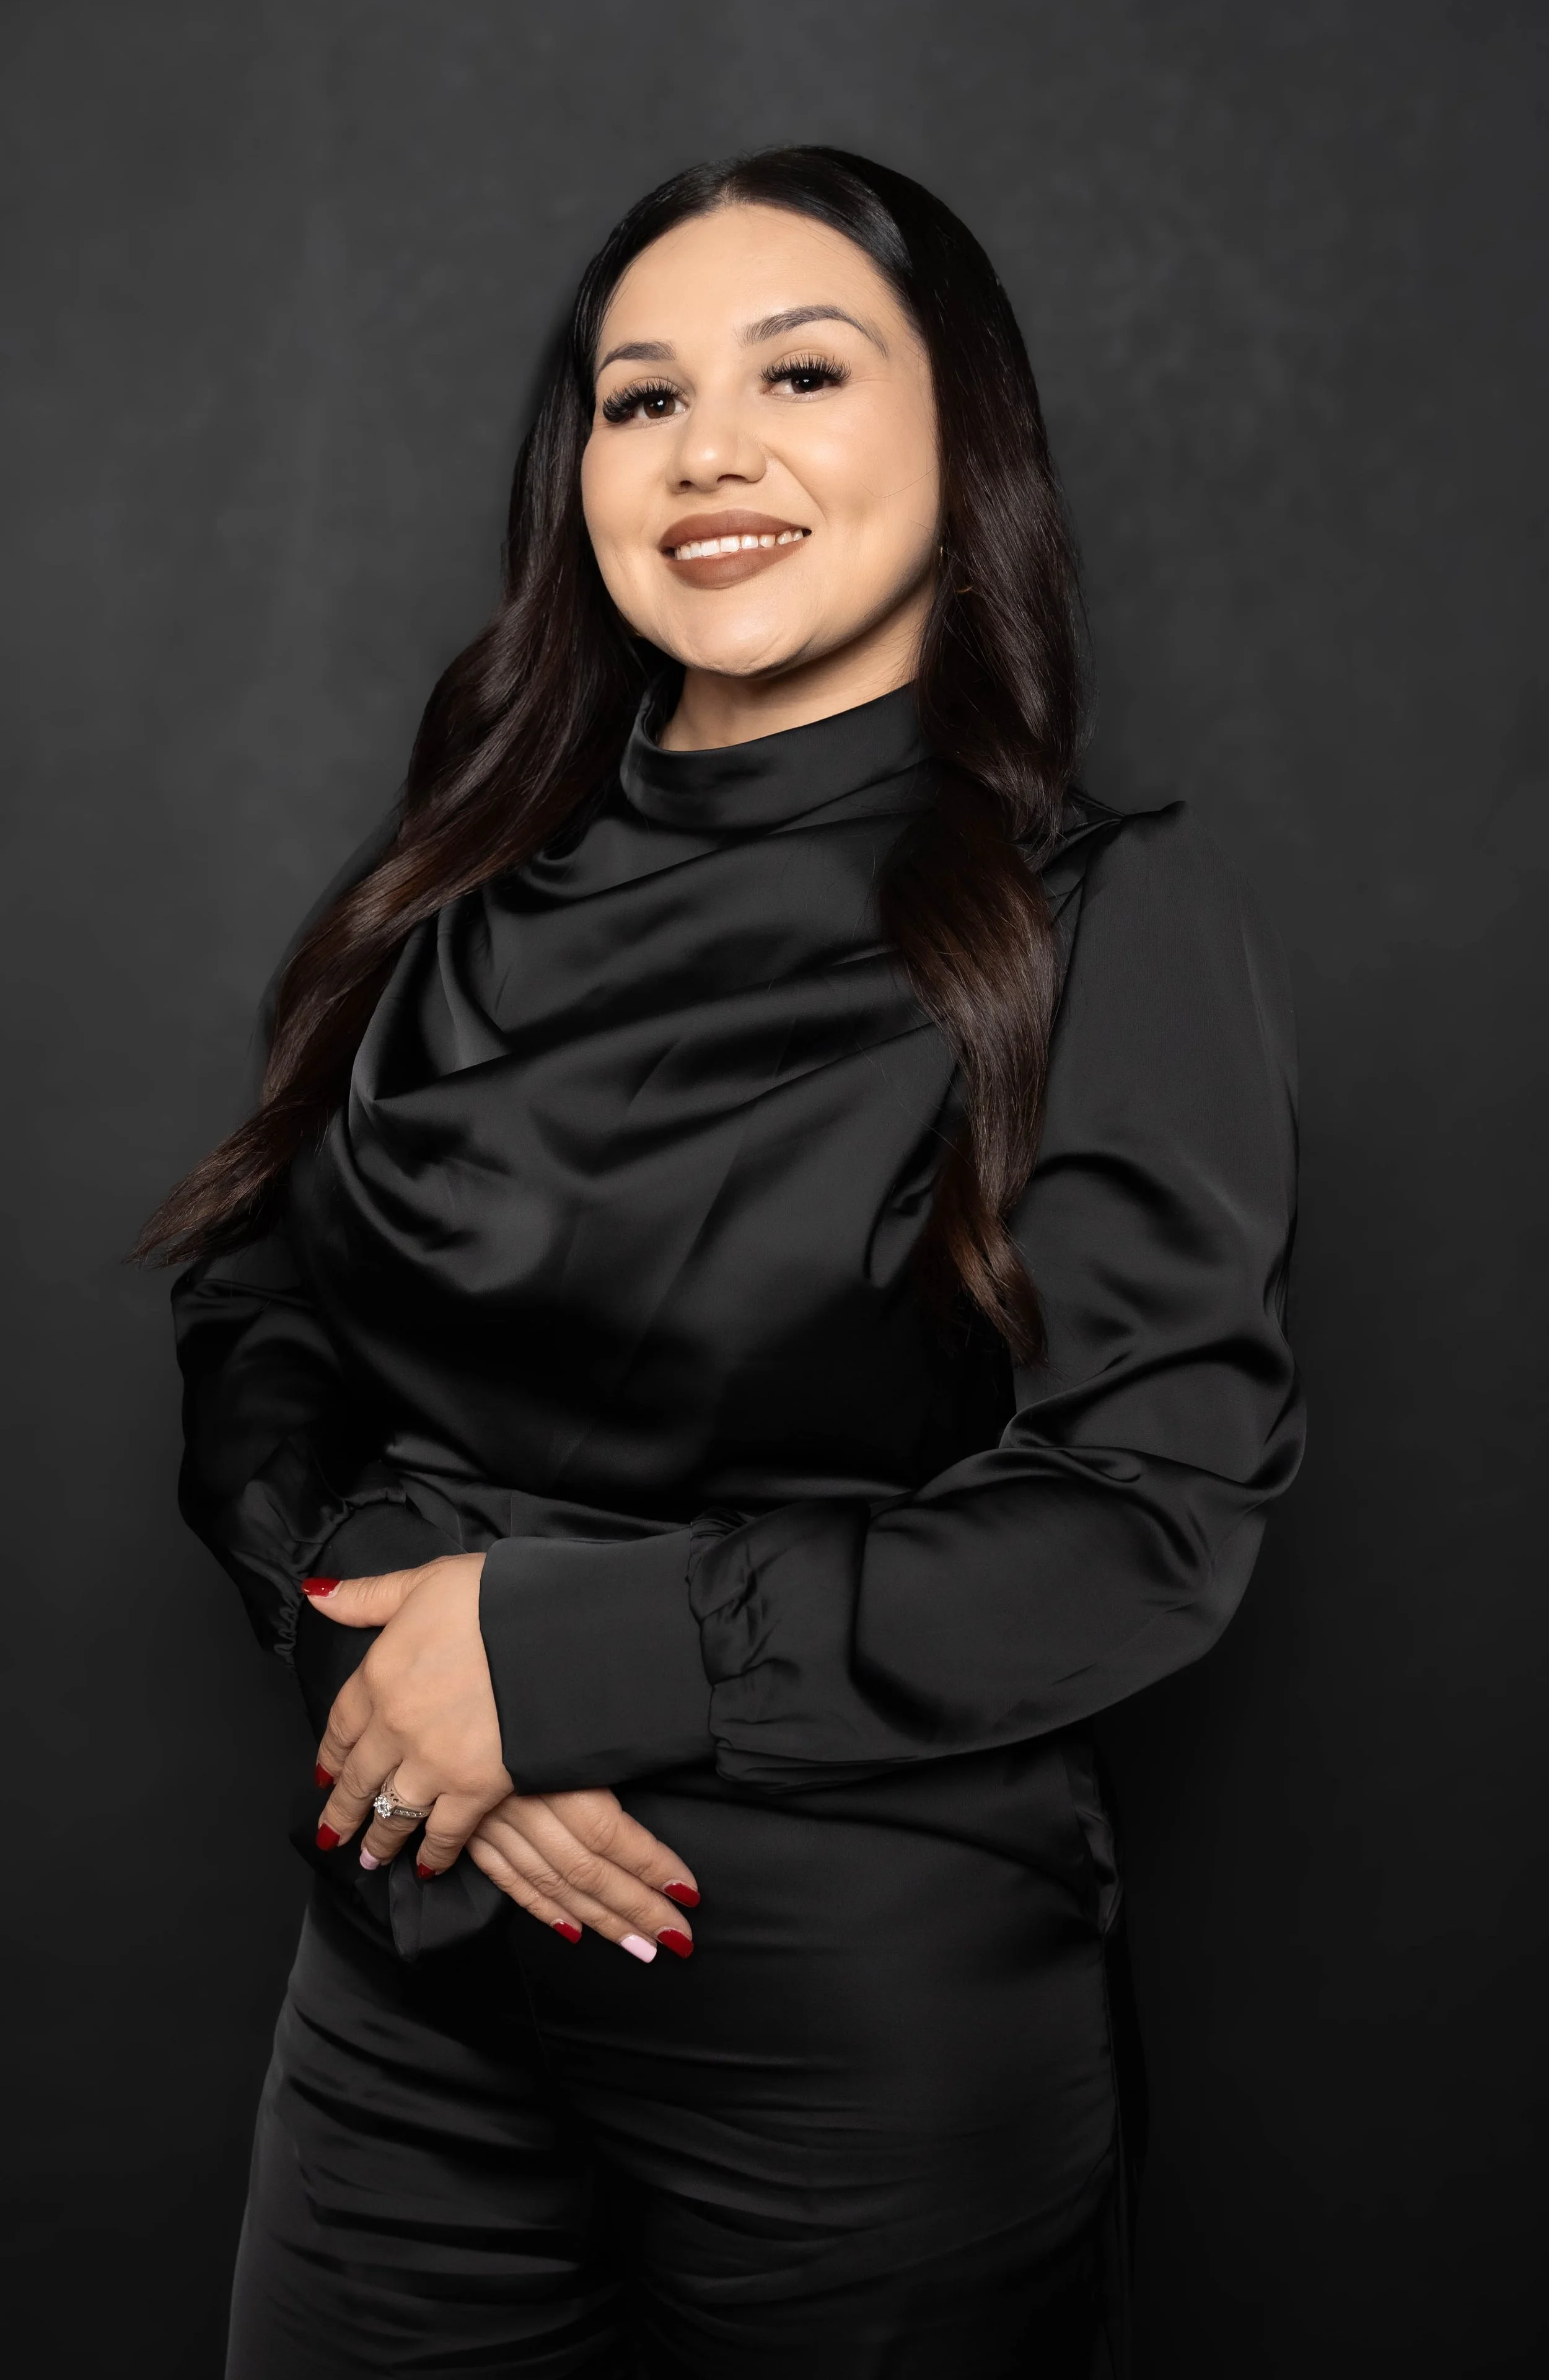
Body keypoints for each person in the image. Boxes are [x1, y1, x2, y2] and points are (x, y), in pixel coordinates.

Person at [141, 145, 1304, 2379]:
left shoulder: (1098, 919)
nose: (713, 453)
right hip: (404, 1988)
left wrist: (563, 1657)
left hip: (858, 2065)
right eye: (637, 396)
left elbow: (1140, 1524)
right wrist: (373, 1608)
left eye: (800, 370)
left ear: (962, 431)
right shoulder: (457, 877)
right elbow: (257, 1313)